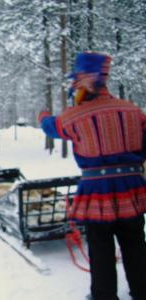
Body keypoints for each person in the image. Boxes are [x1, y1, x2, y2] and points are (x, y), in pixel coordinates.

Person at [38, 52, 146, 300]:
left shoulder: (74, 116)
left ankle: (104, 295)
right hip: (131, 188)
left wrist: (43, 116)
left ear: (83, 82)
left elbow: (50, 127)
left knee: (100, 247)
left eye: (75, 82)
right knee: (135, 244)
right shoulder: (133, 110)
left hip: (97, 192)